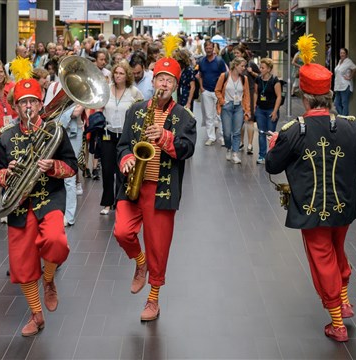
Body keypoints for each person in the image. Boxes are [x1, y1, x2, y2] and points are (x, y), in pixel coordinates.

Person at [265, 34, 356, 343]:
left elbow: (272, 166)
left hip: (311, 207)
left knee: (323, 259)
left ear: (304, 96)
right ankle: (344, 299)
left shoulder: (294, 129)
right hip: (343, 204)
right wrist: (345, 178)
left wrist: (275, 145)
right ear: (329, 95)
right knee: (337, 251)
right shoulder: (350, 125)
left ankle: (337, 321)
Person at [114, 49, 197, 322]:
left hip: (161, 190)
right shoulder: (136, 111)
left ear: (175, 85)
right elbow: (123, 143)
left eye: (169, 81)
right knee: (122, 232)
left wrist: (165, 136)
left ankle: (153, 299)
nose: (163, 84)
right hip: (132, 186)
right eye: (160, 79)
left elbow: (187, 149)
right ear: (153, 82)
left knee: (159, 247)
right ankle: (140, 262)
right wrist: (126, 158)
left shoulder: (185, 117)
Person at [0, 78, 77, 336]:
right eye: (23, 103)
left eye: (32, 101)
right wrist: (7, 173)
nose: (28, 107)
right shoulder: (6, 136)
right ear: (15, 108)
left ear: (40, 104)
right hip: (19, 204)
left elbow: (71, 167)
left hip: (48, 197)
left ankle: (49, 278)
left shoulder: (54, 131)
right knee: (22, 263)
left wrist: (53, 167)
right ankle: (36, 314)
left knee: (56, 241)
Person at [99, 61, 144, 215]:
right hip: (107, 134)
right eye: (116, 73)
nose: (117, 76)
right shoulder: (106, 90)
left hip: (125, 136)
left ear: (127, 76)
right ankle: (107, 203)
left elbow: (141, 110)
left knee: (122, 170)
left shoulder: (134, 92)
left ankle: (120, 202)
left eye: (121, 73)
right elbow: (98, 107)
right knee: (106, 170)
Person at [214, 57, 251, 164]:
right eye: (242, 66)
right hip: (227, 106)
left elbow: (247, 95)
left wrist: (247, 110)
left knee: (236, 132)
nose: (243, 68)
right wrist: (222, 101)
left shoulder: (244, 79)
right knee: (226, 133)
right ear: (235, 65)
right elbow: (217, 90)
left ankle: (235, 153)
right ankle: (229, 148)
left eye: (244, 66)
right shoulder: (224, 76)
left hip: (239, 107)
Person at [197, 39, 227, 146]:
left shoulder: (219, 61)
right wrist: (201, 88)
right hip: (206, 91)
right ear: (204, 49)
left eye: (210, 48)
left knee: (220, 115)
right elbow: (200, 75)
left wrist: (222, 90)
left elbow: (225, 76)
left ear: (213, 48)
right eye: (207, 48)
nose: (208, 50)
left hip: (218, 92)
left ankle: (223, 136)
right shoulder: (201, 61)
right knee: (209, 115)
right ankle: (211, 137)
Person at [255, 57, 282, 164]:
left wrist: (275, 111)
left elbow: (279, 96)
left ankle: (271, 155)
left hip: (271, 110)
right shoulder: (258, 79)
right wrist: (254, 107)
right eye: (260, 67)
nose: (260, 69)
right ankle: (262, 155)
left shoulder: (275, 81)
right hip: (260, 110)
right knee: (261, 132)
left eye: (263, 68)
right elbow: (256, 93)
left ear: (269, 69)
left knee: (270, 134)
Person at [333, 48, 356, 116]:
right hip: (338, 86)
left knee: (344, 103)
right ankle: (342, 117)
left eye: (343, 53)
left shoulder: (348, 61)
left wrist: (350, 77)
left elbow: (355, 68)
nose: (342, 54)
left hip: (345, 86)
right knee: (336, 103)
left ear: (346, 54)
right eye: (341, 53)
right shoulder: (340, 61)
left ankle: (344, 119)